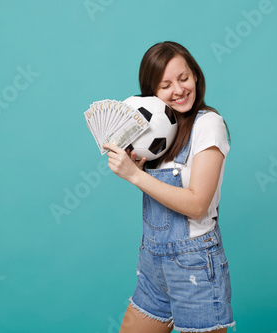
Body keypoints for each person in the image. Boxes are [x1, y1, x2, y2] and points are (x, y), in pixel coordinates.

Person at [102, 41, 235, 333]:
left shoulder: (209, 124)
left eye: (184, 78)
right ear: (152, 93)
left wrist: (136, 177)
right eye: (165, 85)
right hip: (152, 261)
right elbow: (164, 196)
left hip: (194, 267)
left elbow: (197, 203)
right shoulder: (160, 130)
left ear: (196, 76)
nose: (178, 90)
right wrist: (137, 168)